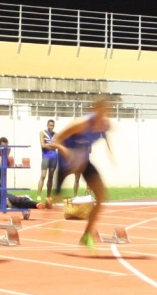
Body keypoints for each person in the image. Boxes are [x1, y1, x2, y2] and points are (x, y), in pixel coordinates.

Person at [46, 96, 114, 249]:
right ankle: (52, 222)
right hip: (67, 159)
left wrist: (111, 153)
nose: (105, 114)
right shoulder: (81, 123)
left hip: (83, 160)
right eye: (102, 110)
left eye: (107, 110)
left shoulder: (105, 124)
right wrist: (66, 152)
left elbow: (106, 135)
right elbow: (56, 139)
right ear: (95, 109)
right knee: (56, 198)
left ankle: (86, 235)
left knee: (102, 197)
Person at [38, 118, 61, 195]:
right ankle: (39, 195)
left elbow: (57, 146)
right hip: (45, 157)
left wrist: (49, 145)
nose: (51, 127)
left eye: (52, 126)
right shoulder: (42, 133)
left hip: (54, 157)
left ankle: (48, 196)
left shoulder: (56, 134)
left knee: (51, 176)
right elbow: (43, 145)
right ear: (47, 125)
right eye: (50, 125)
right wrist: (52, 146)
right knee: (43, 176)